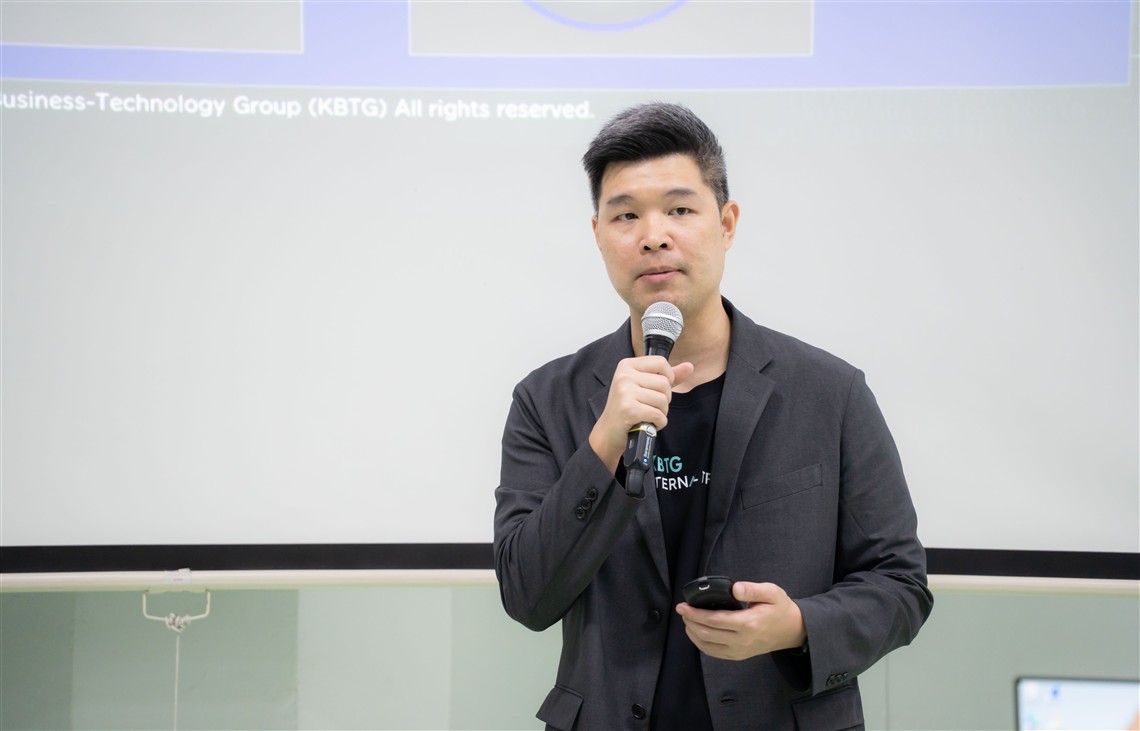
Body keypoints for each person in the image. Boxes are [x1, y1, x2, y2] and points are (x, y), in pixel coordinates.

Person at [493, 102, 932, 730]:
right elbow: (527, 597)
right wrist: (603, 445)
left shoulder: (829, 393)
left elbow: (900, 585)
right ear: (598, 234)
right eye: (626, 215)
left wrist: (798, 626)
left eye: (679, 209)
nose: (653, 236)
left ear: (726, 224)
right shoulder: (546, 400)